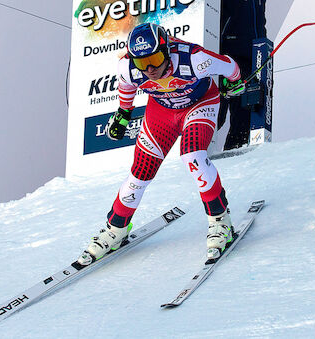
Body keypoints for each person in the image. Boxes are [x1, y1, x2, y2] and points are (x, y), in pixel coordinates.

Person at [77, 23, 246, 265]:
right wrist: (123, 114)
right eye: (142, 62)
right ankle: (116, 229)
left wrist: (234, 82)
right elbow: (126, 88)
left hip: (199, 105)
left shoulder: (194, 58)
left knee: (193, 156)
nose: (150, 69)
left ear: (167, 50)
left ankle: (220, 222)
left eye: (155, 58)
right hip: (162, 112)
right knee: (140, 174)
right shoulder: (127, 67)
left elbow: (230, 66)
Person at [218, 0, 267, 150]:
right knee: (215, 114)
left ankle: (234, 158)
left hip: (254, 53)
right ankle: (193, 159)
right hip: (226, 55)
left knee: (244, 117)